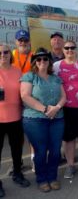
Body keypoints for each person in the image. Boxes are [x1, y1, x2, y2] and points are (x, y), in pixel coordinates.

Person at [20, 47, 66, 192]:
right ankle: (41, 179)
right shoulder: (29, 76)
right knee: (40, 151)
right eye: (38, 59)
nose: (42, 61)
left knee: (55, 151)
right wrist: (46, 109)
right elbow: (25, 96)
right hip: (35, 119)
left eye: (45, 58)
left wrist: (56, 108)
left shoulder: (56, 78)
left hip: (57, 118)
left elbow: (64, 97)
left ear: (49, 61)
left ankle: (52, 177)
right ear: (35, 62)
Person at [53, 40, 78, 179]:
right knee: (68, 139)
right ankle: (70, 166)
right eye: (67, 48)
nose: (70, 50)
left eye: (72, 48)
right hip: (66, 108)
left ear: (76, 49)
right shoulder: (57, 66)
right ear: (63, 50)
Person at [0, 43, 30, 197]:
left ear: (9, 54)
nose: (3, 55)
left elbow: (23, 93)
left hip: (15, 117)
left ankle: (17, 174)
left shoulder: (17, 71)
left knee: (17, 150)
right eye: (0, 53)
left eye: (5, 52)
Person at [12, 29, 35, 173]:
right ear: (16, 42)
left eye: (25, 40)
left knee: (32, 132)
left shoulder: (34, 56)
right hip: (14, 99)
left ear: (29, 42)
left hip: (30, 98)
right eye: (20, 40)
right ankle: (18, 162)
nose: (23, 43)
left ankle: (34, 161)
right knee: (16, 134)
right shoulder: (10, 55)